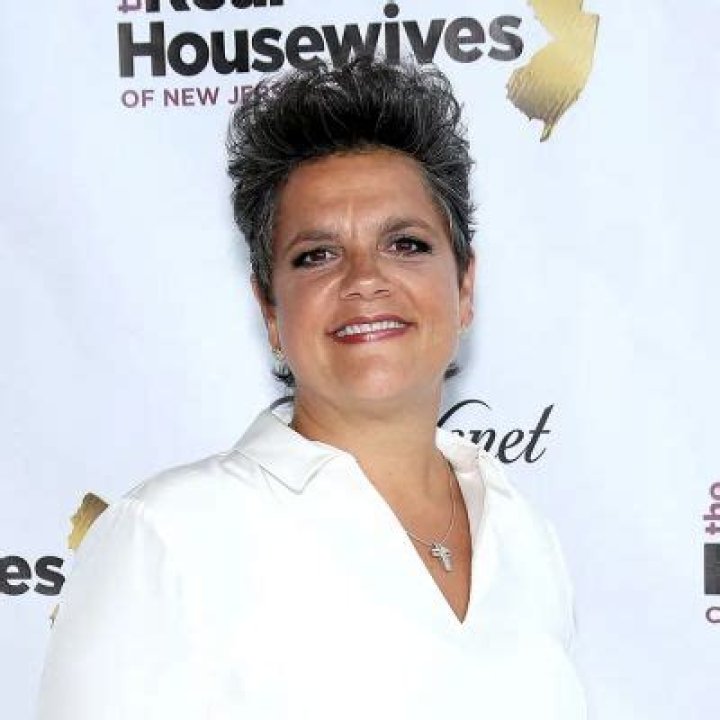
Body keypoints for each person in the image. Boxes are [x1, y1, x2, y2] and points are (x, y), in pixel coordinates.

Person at [37, 57, 586, 719]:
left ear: (464, 286)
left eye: (406, 244)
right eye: (316, 255)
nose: (365, 279)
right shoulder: (167, 539)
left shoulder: (524, 533)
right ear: (271, 309)